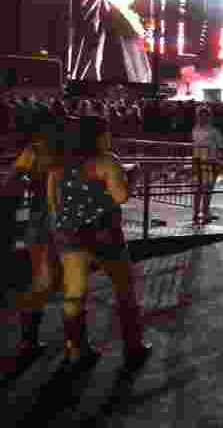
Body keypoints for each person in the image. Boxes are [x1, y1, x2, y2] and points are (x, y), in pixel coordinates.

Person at [48, 116, 151, 372]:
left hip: (70, 236)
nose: (110, 137)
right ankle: (133, 347)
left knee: (74, 294)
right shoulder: (106, 161)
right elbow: (121, 195)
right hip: (104, 234)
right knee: (124, 289)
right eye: (107, 133)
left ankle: (76, 351)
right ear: (98, 136)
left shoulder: (58, 164)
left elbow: (53, 203)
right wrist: (133, 176)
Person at [6, 117, 63, 371]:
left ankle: (29, 341)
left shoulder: (34, 151)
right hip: (64, 221)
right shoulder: (70, 149)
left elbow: (12, 182)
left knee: (39, 279)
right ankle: (76, 341)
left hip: (40, 220)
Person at [192, 107, 223, 224]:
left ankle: (202, 212)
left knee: (205, 189)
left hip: (209, 161)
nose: (202, 118)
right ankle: (200, 212)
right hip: (201, 161)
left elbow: (220, 147)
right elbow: (220, 147)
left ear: (209, 117)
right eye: (201, 115)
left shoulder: (212, 131)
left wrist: (218, 160)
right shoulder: (199, 130)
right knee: (201, 189)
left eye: (205, 116)